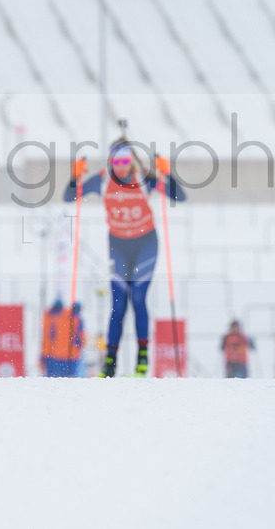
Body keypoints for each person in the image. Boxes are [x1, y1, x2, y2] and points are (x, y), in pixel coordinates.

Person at [64, 140, 186, 377]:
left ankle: (142, 360)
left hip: (145, 245)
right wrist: (73, 177)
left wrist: (168, 174)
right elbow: (70, 196)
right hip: (118, 246)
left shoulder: (144, 179)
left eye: (125, 161)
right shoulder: (102, 180)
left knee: (138, 298)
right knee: (118, 304)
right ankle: (110, 363)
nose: (121, 167)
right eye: (117, 162)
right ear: (110, 161)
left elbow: (179, 197)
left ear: (131, 160)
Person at [40, 299, 86, 377]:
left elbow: (50, 337)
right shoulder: (78, 319)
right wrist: (79, 347)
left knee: (53, 379)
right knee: (69, 381)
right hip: (72, 356)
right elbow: (81, 338)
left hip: (56, 355)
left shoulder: (54, 318)